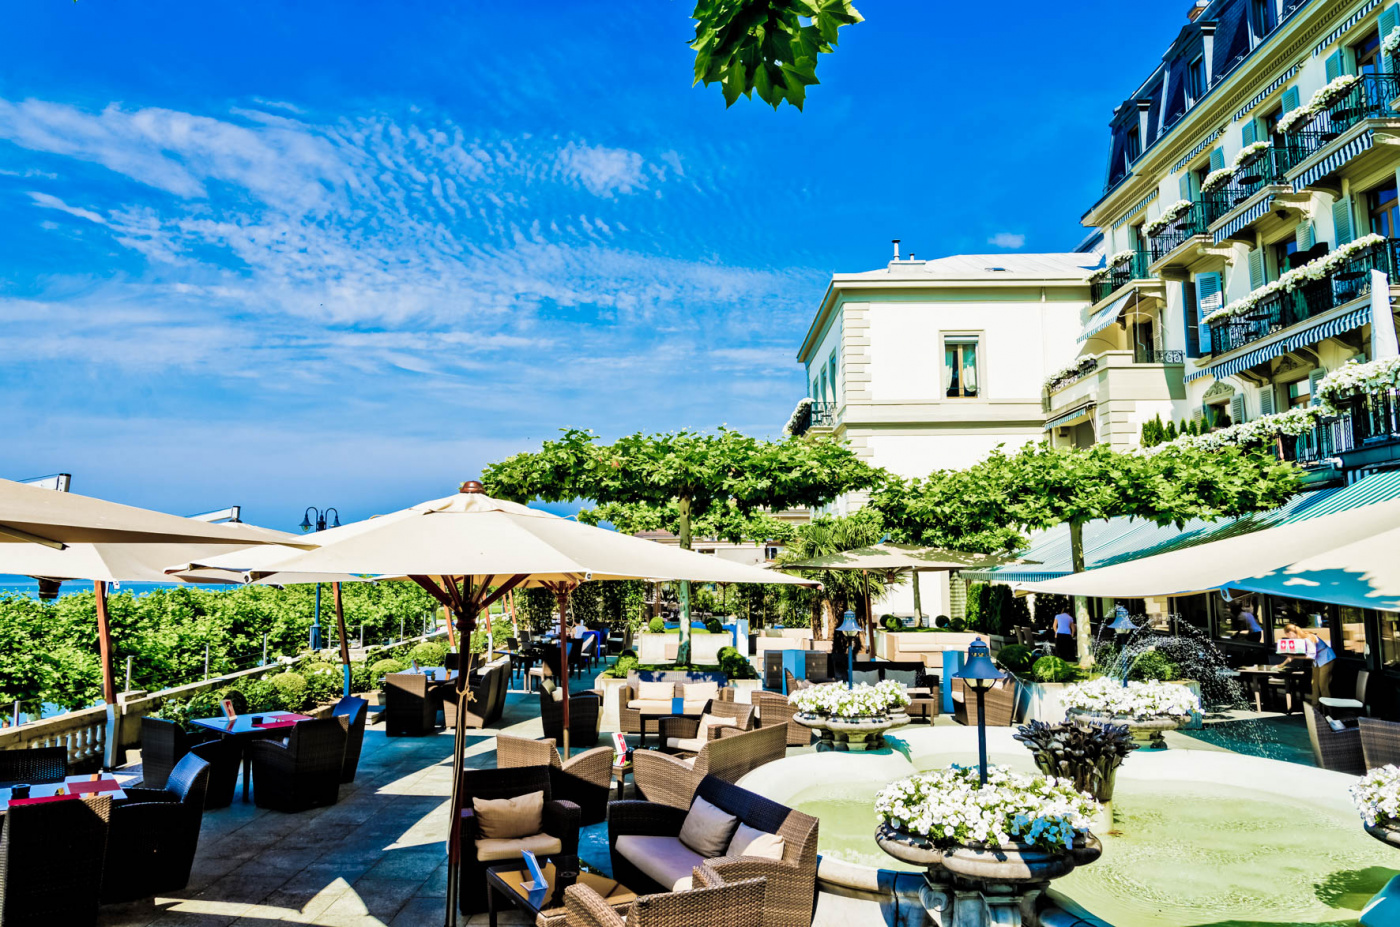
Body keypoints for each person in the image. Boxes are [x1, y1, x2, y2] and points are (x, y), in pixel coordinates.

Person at [1281, 623, 1335, 701]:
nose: (1288, 637)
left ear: (1291, 633)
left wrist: (1294, 657)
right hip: (1317, 661)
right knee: (1314, 684)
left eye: (1287, 635)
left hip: (1326, 658)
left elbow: (1311, 655)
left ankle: (1329, 710)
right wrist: (1282, 664)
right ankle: (1316, 707)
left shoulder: (1307, 638)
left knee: (1323, 686)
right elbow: (1291, 656)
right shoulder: (1299, 639)